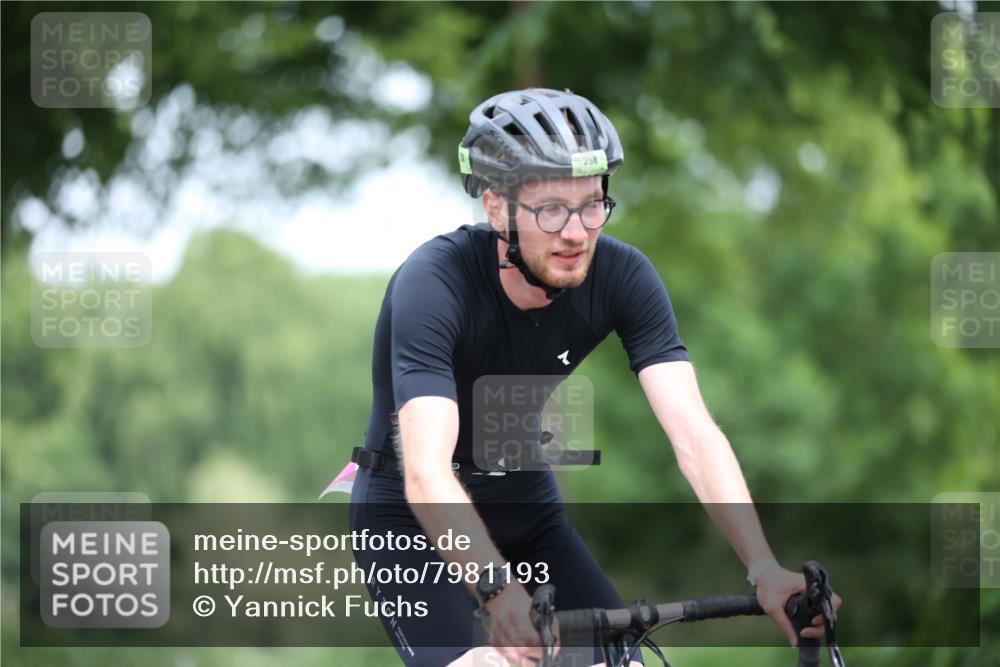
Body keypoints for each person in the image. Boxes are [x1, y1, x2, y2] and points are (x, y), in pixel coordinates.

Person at [347, 88, 841, 667]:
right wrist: (499, 593)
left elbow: (695, 434)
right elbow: (427, 470)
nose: (578, 232)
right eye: (551, 209)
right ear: (495, 207)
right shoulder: (433, 284)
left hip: (526, 508)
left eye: (592, 204)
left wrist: (762, 567)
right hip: (411, 522)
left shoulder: (624, 275)